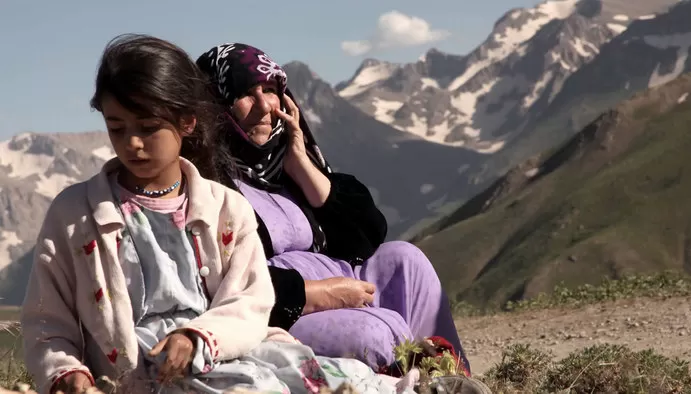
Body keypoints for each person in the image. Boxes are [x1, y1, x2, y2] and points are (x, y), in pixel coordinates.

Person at [19, 34, 418, 394]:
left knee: (321, 376)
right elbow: (47, 319)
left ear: (188, 122)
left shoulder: (224, 208)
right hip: (132, 376)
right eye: (117, 128)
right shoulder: (75, 215)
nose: (133, 143)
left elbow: (250, 300)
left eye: (148, 126)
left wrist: (199, 338)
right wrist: (67, 374)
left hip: (224, 354)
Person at [191, 43, 470, 374]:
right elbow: (220, 279)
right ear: (215, 106)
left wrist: (301, 167)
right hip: (276, 311)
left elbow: (367, 236)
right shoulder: (206, 185)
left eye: (270, 89)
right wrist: (316, 294)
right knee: (371, 336)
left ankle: (449, 379)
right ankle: (406, 380)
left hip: (340, 284)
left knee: (405, 259)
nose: (265, 105)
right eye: (245, 94)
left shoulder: (285, 167)